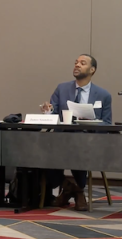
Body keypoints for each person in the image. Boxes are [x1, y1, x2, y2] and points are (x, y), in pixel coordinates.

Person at [39, 54, 112, 211]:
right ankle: (75, 189)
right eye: (76, 62)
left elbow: (107, 124)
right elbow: (54, 115)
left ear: (92, 70)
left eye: (82, 63)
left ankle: (71, 190)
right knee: (42, 149)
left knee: (78, 147)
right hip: (62, 138)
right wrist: (48, 112)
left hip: (88, 140)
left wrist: (91, 122)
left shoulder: (103, 95)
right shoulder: (62, 88)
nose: (77, 65)